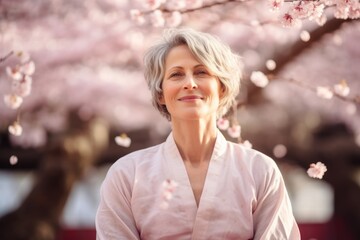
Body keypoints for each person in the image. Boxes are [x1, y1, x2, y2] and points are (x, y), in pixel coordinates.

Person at [95, 28, 301, 240]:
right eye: (176, 74)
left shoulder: (259, 170)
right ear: (160, 94)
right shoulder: (127, 175)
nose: (190, 83)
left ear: (221, 88)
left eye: (202, 72)